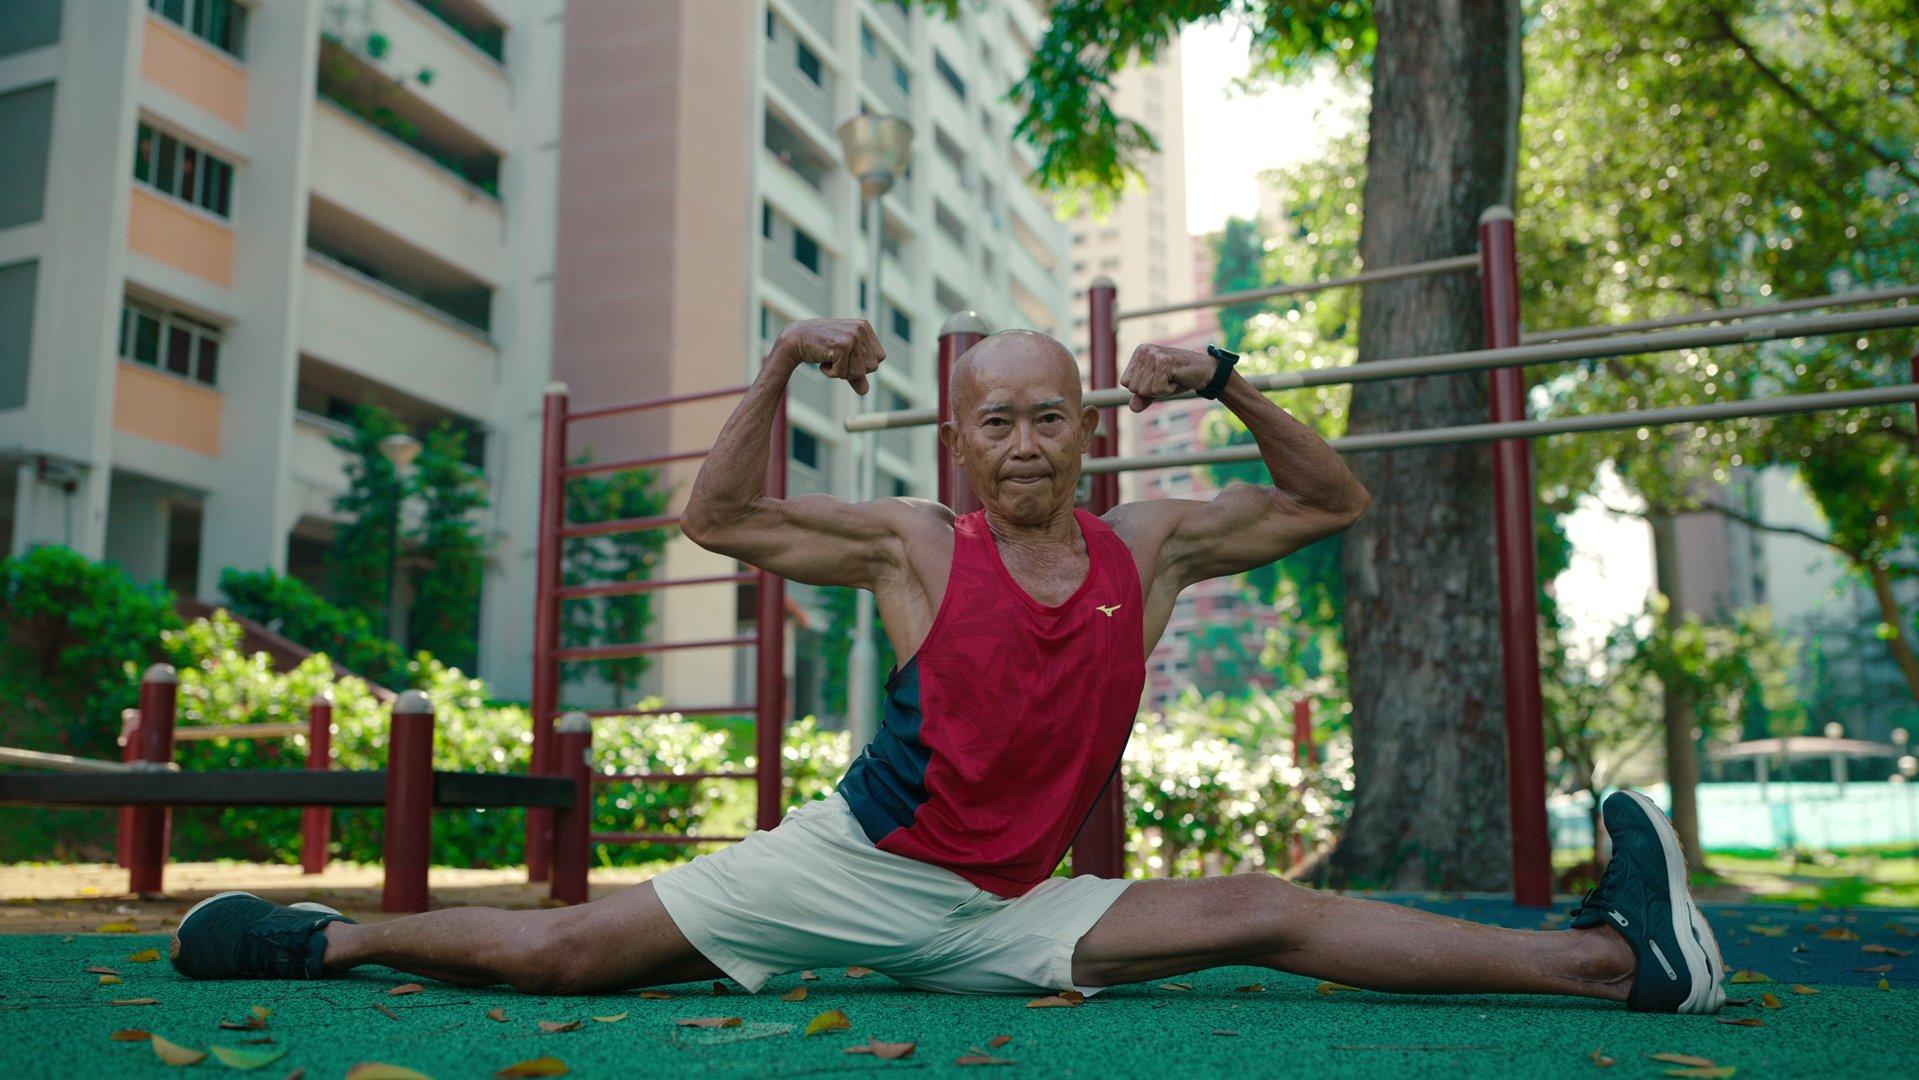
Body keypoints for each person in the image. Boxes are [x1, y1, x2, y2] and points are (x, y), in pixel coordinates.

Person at [171, 318, 1725, 1014]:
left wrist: (1234, 378)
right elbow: (716, 516)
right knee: (568, 954)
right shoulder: (916, 544)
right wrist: (778, 364)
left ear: (1084, 428)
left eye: (1053, 413)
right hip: (856, 871)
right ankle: (335, 946)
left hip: (1012, 911)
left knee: (1274, 912)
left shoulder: (1152, 545)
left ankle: (1614, 963)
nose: (1029, 439)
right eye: (1000, 419)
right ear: (960, 443)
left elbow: (1336, 500)